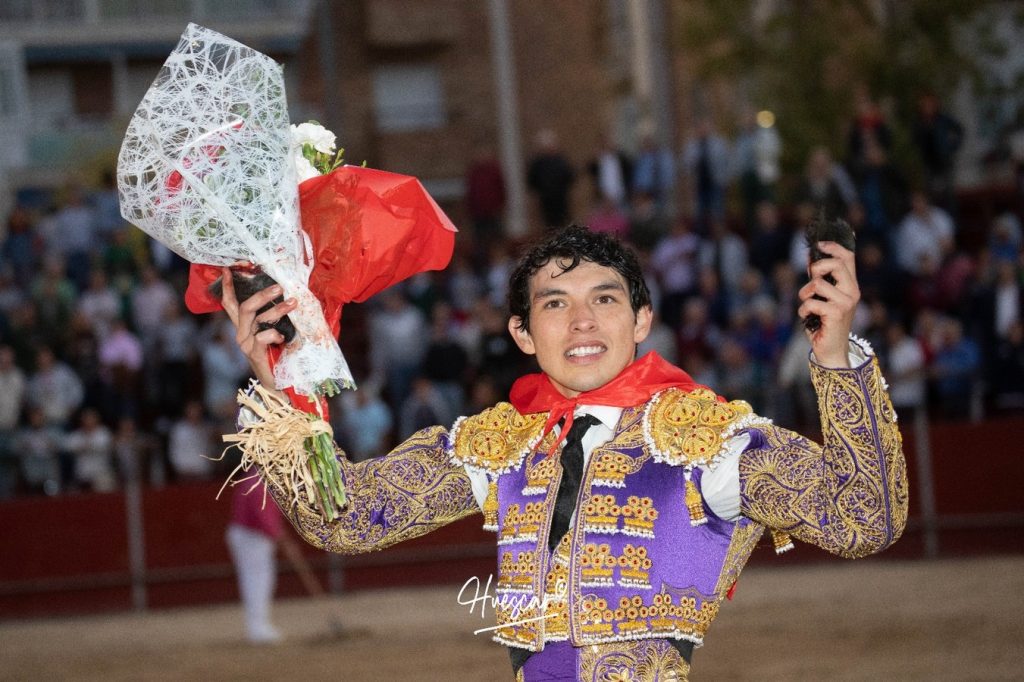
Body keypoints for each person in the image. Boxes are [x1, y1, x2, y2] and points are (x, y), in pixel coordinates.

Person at [221, 226, 906, 680]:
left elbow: (863, 518)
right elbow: (344, 518)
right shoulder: (501, 444)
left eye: (604, 299)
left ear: (641, 320)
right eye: (555, 304)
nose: (582, 321)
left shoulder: (707, 440)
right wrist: (281, 376)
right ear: (523, 333)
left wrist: (836, 357)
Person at [226, 479, 286, 644]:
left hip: (250, 535)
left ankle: (258, 626)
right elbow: (263, 513)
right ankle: (258, 628)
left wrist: (276, 532)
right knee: (257, 581)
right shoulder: (259, 482)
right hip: (252, 537)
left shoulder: (255, 479)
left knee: (256, 580)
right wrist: (277, 534)